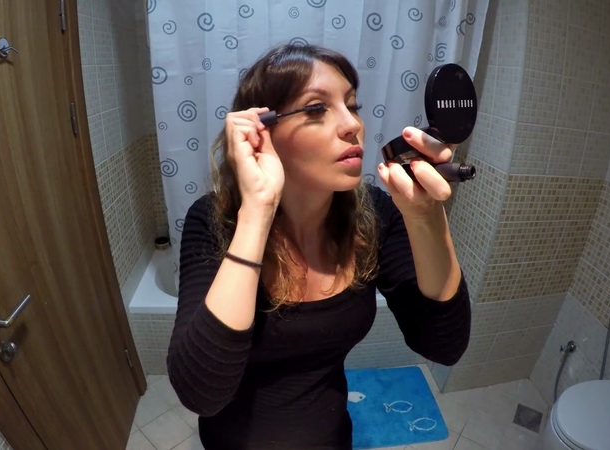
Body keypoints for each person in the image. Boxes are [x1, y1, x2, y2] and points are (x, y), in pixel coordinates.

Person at [166, 43, 471, 450]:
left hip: (330, 435)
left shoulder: (375, 214)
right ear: (261, 134)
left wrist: (425, 217)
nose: (352, 125)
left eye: (353, 105)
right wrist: (257, 211)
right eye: (315, 109)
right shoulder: (213, 220)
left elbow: (443, 345)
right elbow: (200, 393)